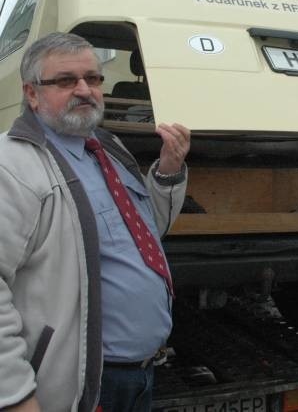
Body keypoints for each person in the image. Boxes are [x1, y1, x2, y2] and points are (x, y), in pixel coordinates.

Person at [0, 33, 191, 412]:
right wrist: (16, 395)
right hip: (81, 387)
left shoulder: (107, 149)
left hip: (140, 375)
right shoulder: (12, 166)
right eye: (66, 81)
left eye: (93, 78)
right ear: (32, 94)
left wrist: (168, 171)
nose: (85, 90)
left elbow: (146, 235)